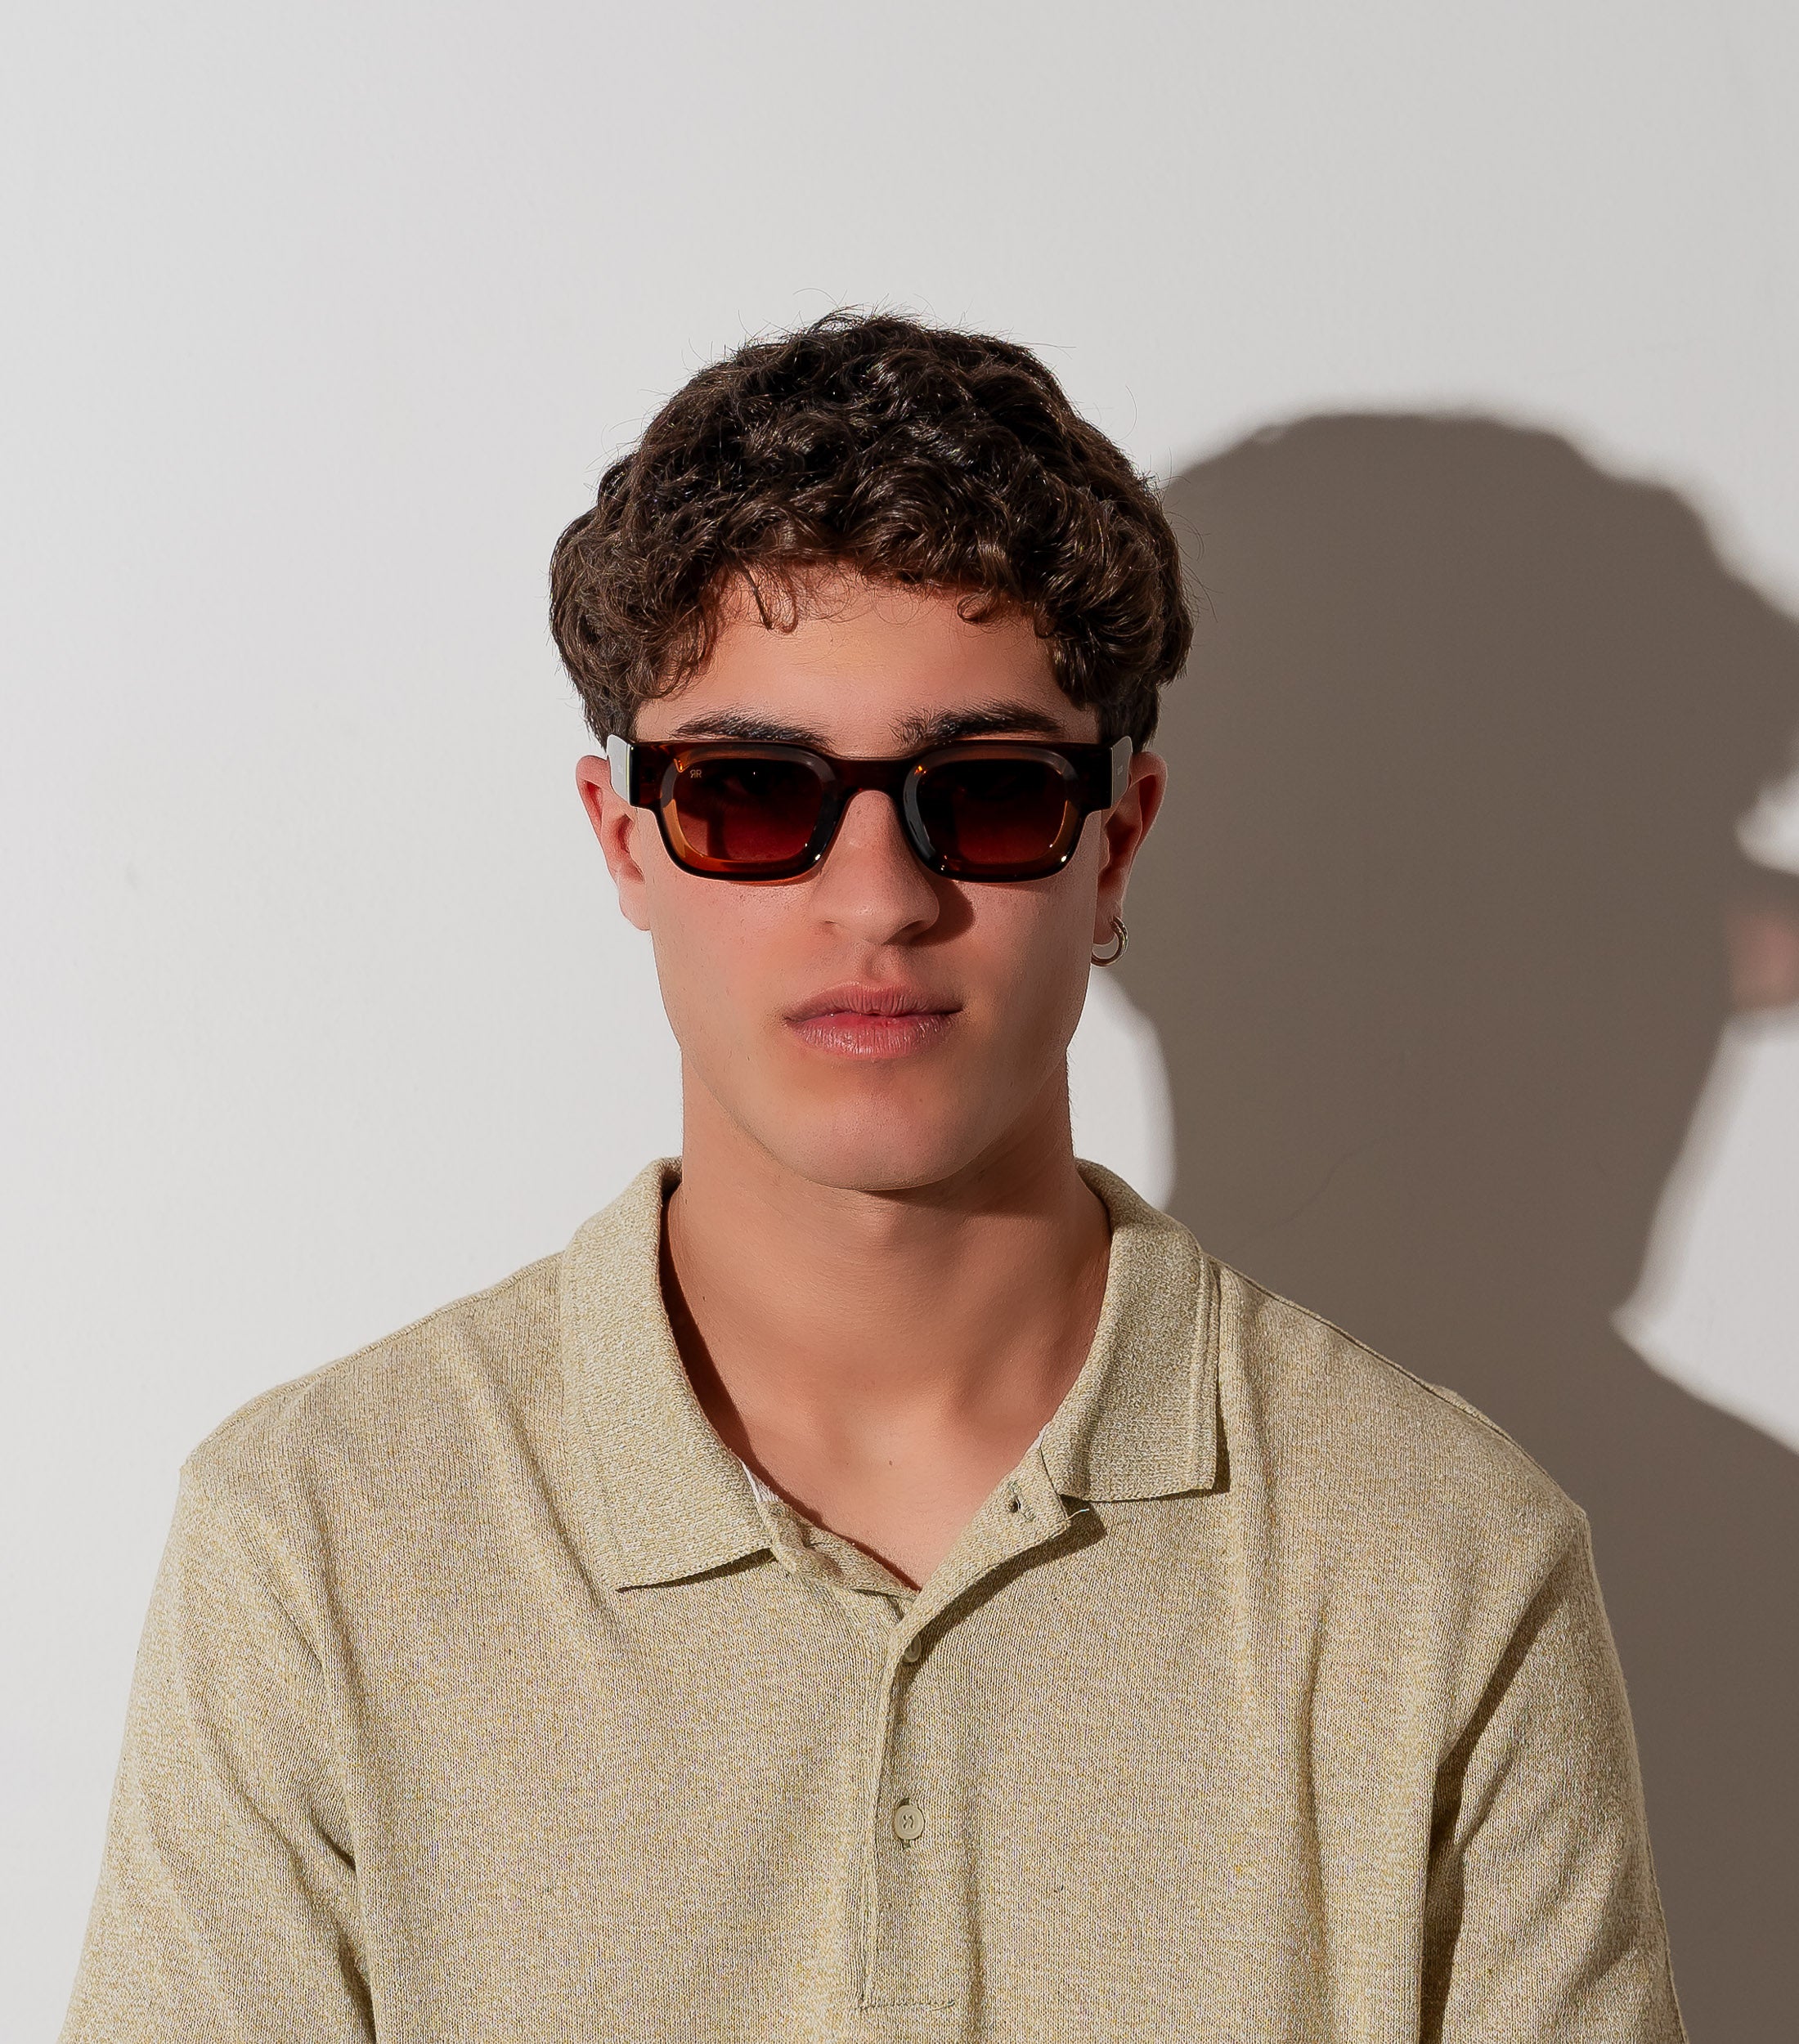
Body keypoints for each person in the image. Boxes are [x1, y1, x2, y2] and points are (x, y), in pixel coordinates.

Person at [61, 312, 1685, 2042]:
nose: (877, 899)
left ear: (1113, 842)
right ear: (626, 842)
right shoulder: (318, 1541)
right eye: (752, 795)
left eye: (983, 795)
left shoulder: (1439, 1559)